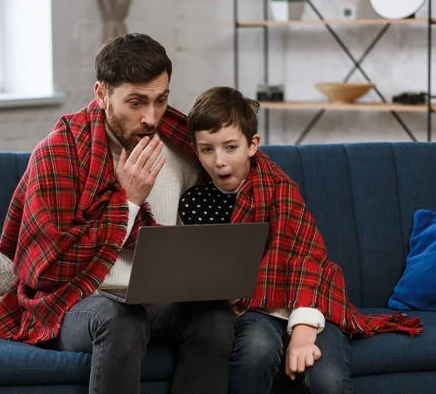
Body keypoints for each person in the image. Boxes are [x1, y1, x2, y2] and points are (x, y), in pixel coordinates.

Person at [0, 34, 234, 394]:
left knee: (215, 317)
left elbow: (241, 176)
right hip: (76, 301)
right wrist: (129, 199)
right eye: (135, 102)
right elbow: (45, 268)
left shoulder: (182, 148)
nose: (151, 117)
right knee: (121, 319)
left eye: (160, 101)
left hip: (156, 297)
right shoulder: (58, 154)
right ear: (101, 95)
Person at [178, 86, 424, 394]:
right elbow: (204, 271)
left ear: (252, 145)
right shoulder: (195, 204)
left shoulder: (279, 189)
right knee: (256, 351)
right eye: (207, 150)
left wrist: (304, 331)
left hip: (312, 300)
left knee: (327, 379)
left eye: (230, 147)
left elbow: (308, 259)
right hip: (255, 309)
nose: (219, 162)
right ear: (195, 149)